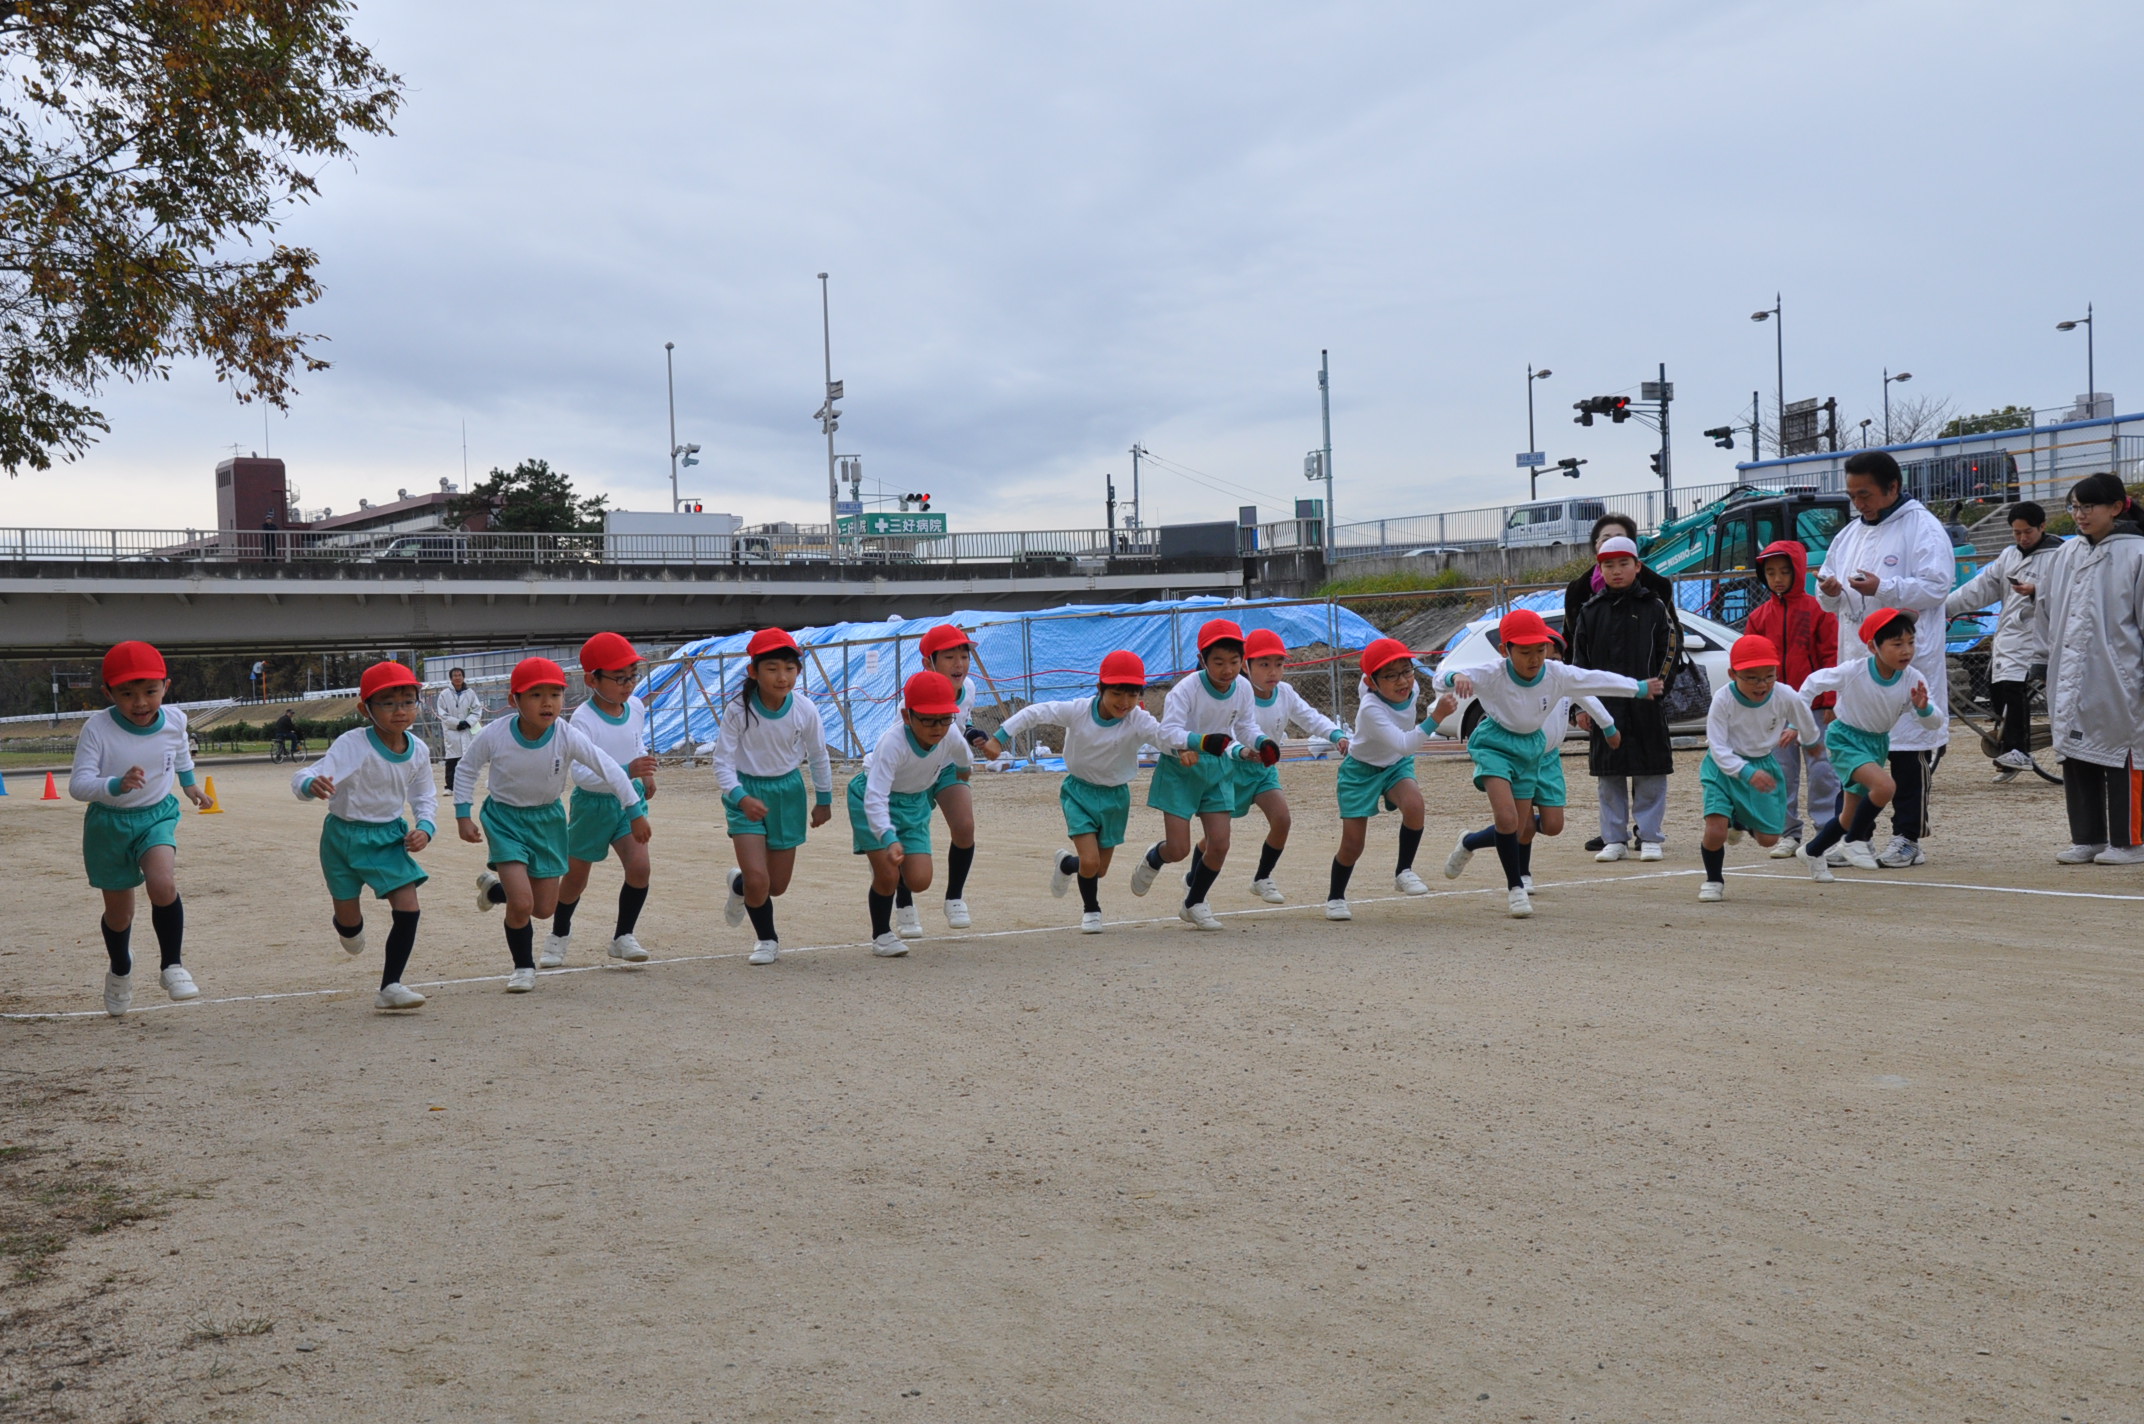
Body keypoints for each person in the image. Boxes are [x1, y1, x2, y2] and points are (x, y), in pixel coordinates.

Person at [1431, 610, 1661, 917]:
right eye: (1525, 652)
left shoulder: (1556, 673)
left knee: (1521, 828)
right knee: (1507, 819)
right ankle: (1516, 888)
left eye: (1540, 650)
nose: (1535, 659)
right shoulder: (1491, 672)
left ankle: (1469, 842)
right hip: (1494, 745)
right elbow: (1440, 677)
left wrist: (1638, 688)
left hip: (1531, 748)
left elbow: (1594, 680)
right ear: (1505, 650)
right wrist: (1455, 677)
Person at [455, 657, 648, 993]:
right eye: (536, 695)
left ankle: (496, 890)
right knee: (522, 904)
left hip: (547, 820)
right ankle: (523, 967)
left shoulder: (566, 734)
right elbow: (466, 768)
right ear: (514, 700)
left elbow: (606, 766)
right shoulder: (494, 734)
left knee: (543, 908)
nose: (548, 703)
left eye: (555, 695)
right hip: (504, 820)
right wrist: (463, 815)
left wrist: (634, 808)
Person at [1816, 450, 1956, 868]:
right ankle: (1853, 837)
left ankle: (1908, 837)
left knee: (1907, 754)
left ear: (1893, 487)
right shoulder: (1849, 535)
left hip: (1906, 661)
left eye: (1865, 494)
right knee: (1857, 757)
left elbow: (1937, 587)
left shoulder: (1922, 527)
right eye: (1852, 495)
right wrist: (1829, 591)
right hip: (1861, 666)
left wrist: (1884, 587)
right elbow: (1827, 596)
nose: (1858, 503)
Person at [69, 641, 213, 1016]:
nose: (140, 703)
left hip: (156, 815)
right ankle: (120, 968)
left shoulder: (176, 719)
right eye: (127, 694)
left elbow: (179, 752)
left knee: (162, 884)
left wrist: (190, 786)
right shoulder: (98, 728)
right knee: (120, 916)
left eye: (150, 691)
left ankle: (172, 965)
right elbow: (78, 785)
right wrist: (116, 784)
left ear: (166, 686)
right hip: (109, 823)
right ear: (108, 693)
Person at [985, 649, 1169, 933]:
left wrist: (1184, 749)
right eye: (1117, 693)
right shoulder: (1078, 711)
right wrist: (1000, 737)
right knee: (1091, 862)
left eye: (1132, 695)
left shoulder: (1138, 719)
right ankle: (1091, 910)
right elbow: (1036, 712)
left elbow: (1163, 737)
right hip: (1079, 793)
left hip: (1116, 797)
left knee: (1099, 869)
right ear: (1100, 688)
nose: (1124, 702)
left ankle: (1066, 865)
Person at [292, 661, 437, 1009]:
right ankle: (346, 926)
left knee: (409, 906)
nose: (400, 711)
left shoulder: (419, 749)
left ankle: (391, 986)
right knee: (350, 924)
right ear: (365, 709)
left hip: (389, 839)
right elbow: (305, 775)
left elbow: (424, 795)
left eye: (408, 701)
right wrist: (310, 785)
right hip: (342, 840)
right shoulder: (352, 744)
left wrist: (425, 828)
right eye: (388, 703)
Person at [1125, 619, 1277, 931]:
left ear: (1242, 661)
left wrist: (1262, 743)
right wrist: (1200, 741)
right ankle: (1155, 858)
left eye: (1234, 661)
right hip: (1181, 768)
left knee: (1219, 843)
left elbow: (1245, 726)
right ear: (1202, 660)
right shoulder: (1185, 690)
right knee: (1178, 849)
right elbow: (1167, 732)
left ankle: (1194, 902)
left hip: (1218, 768)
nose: (1227, 670)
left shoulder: (1243, 688)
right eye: (1218, 662)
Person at [1444, 629, 1617, 891]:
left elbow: (1590, 700)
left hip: (1548, 759)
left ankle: (1470, 841)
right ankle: (1522, 874)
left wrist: (1609, 727)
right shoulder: (1519, 682)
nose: (1547, 665)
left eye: (1554, 658)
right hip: (1519, 756)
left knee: (1553, 825)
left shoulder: (1563, 680)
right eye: (1541, 657)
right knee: (1519, 825)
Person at [2031, 473, 2144, 865]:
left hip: (2121, 675)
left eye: (2089, 506)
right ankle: (2088, 837)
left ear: (2116, 507)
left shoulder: (2137, 553)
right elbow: (2045, 609)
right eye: (2075, 506)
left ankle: (2130, 841)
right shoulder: (2066, 553)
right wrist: (2041, 656)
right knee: (2075, 750)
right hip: (2069, 670)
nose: (2080, 514)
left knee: (2124, 751)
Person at [1191, 627, 1347, 905]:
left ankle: (1262, 877)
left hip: (1263, 770)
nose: (1273, 672)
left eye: (1279, 664)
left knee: (1282, 819)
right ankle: (1194, 877)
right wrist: (1241, 751)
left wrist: (1336, 734)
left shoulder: (1285, 693)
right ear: (1245, 666)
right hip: (1231, 770)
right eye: (1264, 664)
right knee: (1214, 838)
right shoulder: (1237, 693)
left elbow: (1310, 717)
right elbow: (1226, 732)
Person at [716, 628, 835, 964]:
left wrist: (824, 800)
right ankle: (766, 940)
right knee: (759, 879)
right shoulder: (738, 710)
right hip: (745, 794)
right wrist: (740, 797)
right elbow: (722, 761)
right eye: (772, 669)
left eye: (789, 668)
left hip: (788, 793)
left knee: (775, 886)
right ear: (753, 671)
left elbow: (818, 755)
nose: (782, 677)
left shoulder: (805, 709)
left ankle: (738, 885)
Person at [1794, 609, 1938, 880]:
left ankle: (1812, 851)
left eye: (1911, 642)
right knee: (1885, 786)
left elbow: (1934, 723)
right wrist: (1798, 722)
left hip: (1877, 743)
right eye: (1897, 644)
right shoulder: (1854, 671)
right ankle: (1853, 841)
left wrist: (1924, 708)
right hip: (1844, 739)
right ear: (1873, 647)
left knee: (1848, 816)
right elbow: (1812, 683)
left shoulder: (1913, 678)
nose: (1906, 650)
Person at [548, 633, 659, 969]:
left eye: (632, 676)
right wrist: (627, 770)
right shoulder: (583, 719)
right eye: (619, 678)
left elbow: (636, 741)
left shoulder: (635, 707)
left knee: (640, 868)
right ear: (592, 680)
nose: (629, 685)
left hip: (628, 803)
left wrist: (644, 773)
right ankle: (559, 934)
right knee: (575, 880)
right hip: (592, 806)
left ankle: (623, 936)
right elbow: (582, 774)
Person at [1570, 536, 1683, 862]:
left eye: (1623, 564)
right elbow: (1579, 665)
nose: (1616, 571)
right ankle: (1614, 839)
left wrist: (1658, 688)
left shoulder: (1655, 607)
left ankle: (1650, 837)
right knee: (1609, 777)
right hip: (1605, 709)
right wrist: (1581, 706)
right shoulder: (1590, 611)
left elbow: (1670, 650)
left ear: (1638, 566)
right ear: (1600, 569)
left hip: (1646, 705)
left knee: (1651, 772)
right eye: (1609, 565)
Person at [850, 671, 973, 957]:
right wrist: (887, 836)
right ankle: (882, 935)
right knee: (887, 875)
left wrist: (964, 770)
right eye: (928, 719)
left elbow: (963, 753)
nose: (937, 727)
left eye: (945, 718)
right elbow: (875, 796)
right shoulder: (892, 743)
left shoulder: (949, 732)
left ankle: (885, 867)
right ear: (907, 716)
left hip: (914, 802)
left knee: (919, 880)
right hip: (873, 798)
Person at [1694, 635, 1824, 902]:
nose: (1762, 684)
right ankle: (1713, 880)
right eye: (1752, 678)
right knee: (1716, 831)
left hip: (1763, 764)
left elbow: (1803, 716)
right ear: (1733, 674)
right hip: (1722, 767)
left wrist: (1811, 741)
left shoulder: (1784, 694)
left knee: (1769, 839)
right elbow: (1717, 746)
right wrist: (1745, 772)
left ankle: (1739, 821)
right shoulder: (1723, 698)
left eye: (1769, 676)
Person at [1323, 638, 1440, 922]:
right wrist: (1437, 718)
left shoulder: (1412, 687)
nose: (1403, 681)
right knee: (1353, 845)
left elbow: (1401, 751)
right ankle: (1336, 897)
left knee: (1414, 805)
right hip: (1360, 771)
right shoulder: (1370, 708)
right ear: (1372, 683)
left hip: (1395, 765)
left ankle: (1404, 871)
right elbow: (1405, 744)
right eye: (1390, 676)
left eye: (1407, 670)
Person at [1946, 501, 2063, 781]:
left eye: (2028, 532)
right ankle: (2010, 756)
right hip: (2008, 637)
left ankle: (2018, 750)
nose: (2022, 538)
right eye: (2016, 532)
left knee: (2013, 688)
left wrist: (2037, 590)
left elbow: (2070, 592)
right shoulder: (2009, 556)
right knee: (1998, 694)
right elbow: (1979, 588)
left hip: (2037, 637)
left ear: (2042, 526)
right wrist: (1943, 607)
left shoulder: (2059, 555)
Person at [1745, 539, 1841, 856]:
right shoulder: (1759, 617)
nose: (1777, 578)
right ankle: (1788, 833)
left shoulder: (1819, 610)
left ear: (1798, 571)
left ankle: (1826, 832)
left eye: (1785, 571)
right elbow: (1750, 662)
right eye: (1770, 572)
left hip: (1815, 707)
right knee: (1780, 773)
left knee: (1822, 771)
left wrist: (1831, 700)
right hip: (1776, 709)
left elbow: (1831, 656)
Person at [916, 624, 989, 931]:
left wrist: (972, 734)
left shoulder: (968, 687)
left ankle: (954, 898)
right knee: (909, 839)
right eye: (949, 657)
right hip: (914, 768)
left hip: (949, 765)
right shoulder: (917, 693)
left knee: (964, 826)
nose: (959, 664)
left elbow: (961, 722)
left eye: (964, 656)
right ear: (928, 663)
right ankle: (903, 902)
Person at [435, 668, 484, 790]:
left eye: (459, 675)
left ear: (463, 677)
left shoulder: (470, 693)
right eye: (455, 675)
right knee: (452, 760)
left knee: (466, 760)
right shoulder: (444, 694)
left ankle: (465, 785)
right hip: (452, 731)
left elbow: (477, 710)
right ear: (451, 678)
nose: (457, 678)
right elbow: (443, 713)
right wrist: (457, 723)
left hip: (467, 730)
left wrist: (468, 722)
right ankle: (449, 787)